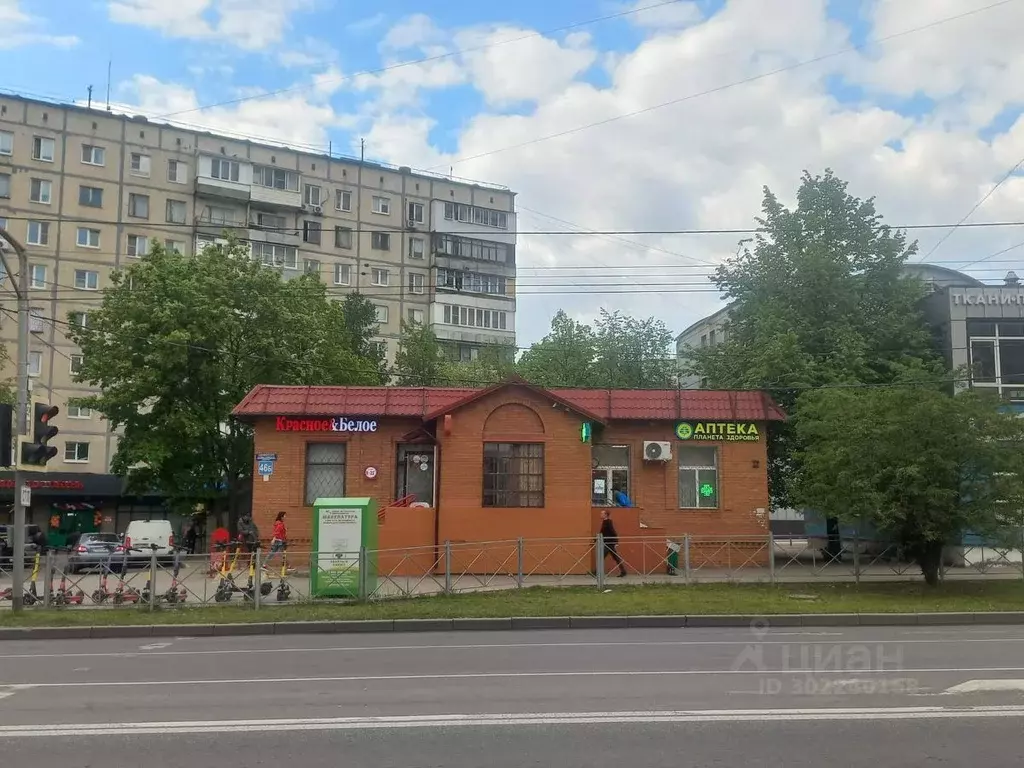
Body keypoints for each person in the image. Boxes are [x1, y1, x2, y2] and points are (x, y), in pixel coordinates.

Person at [599, 510, 627, 577]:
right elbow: (602, 533)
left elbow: (613, 532)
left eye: (602, 513)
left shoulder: (608, 522)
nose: (600, 514)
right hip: (607, 542)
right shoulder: (605, 522)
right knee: (615, 558)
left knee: (601, 557)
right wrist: (596, 539)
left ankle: (596, 572)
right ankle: (623, 571)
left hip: (609, 543)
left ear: (606, 515)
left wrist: (616, 542)